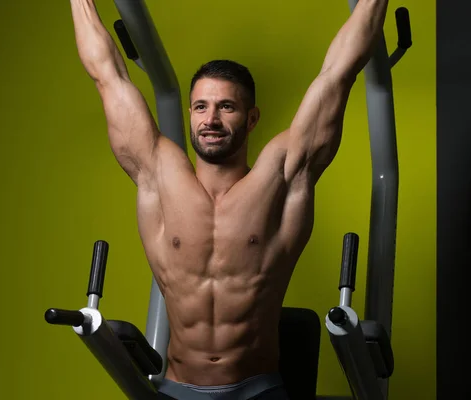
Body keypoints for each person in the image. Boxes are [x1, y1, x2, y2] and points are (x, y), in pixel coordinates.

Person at [69, 0, 389, 398]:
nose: (211, 120)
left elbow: (337, 74)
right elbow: (108, 75)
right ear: (189, 114)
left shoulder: (283, 175)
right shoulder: (158, 172)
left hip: (258, 390)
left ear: (251, 118)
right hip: (176, 389)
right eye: (201, 107)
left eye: (226, 107)